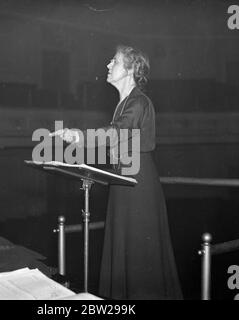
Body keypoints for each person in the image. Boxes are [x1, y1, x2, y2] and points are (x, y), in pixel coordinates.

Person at [56, 45, 183, 300]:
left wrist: (79, 136)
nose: (107, 65)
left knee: (139, 255)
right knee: (126, 251)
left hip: (138, 185)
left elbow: (116, 132)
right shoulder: (124, 102)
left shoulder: (138, 102)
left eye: (114, 61)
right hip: (124, 181)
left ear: (130, 69)